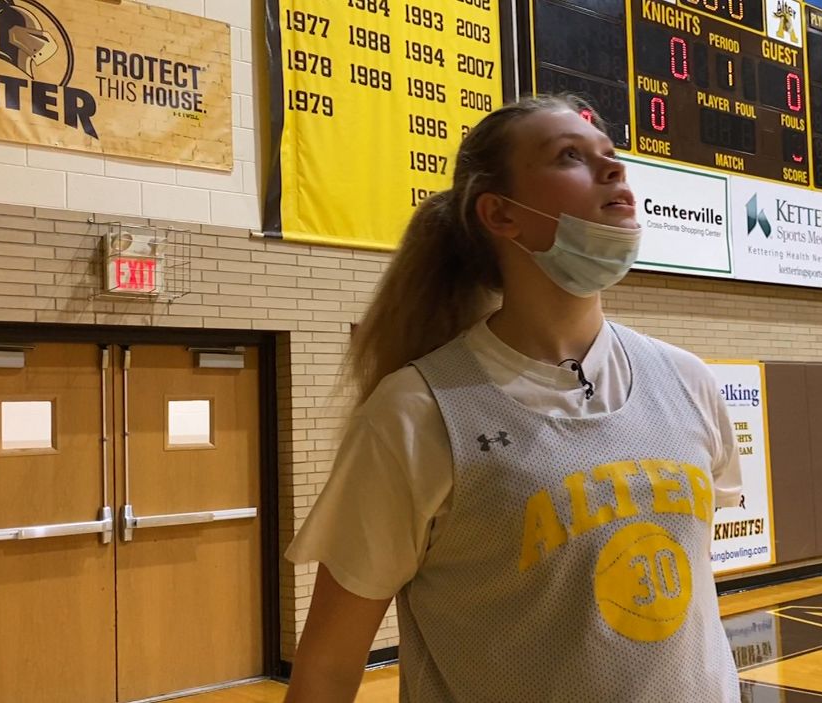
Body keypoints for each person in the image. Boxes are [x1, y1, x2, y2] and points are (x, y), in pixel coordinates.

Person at [283, 94, 744, 702]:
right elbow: (326, 670)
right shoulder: (416, 413)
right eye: (570, 156)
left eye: (610, 153)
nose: (614, 169)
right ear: (501, 214)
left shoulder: (688, 381)